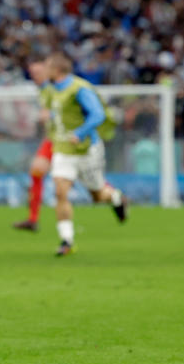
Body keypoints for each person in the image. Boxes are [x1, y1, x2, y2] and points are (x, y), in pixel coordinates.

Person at [45, 53, 128, 256]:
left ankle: (116, 197)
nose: (45, 70)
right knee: (60, 192)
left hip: (86, 150)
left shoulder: (79, 88)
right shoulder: (51, 90)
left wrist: (80, 133)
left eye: (48, 66)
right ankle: (67, 240)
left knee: (98, 195)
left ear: (57, 70)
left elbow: (98, 114)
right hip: (63, 150)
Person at [12, 60, 54, 232]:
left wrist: (49, 115)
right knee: (36, 173)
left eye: (37, 72)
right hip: (52, 139)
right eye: (32, 73)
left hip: (66, 139)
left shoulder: (54, 89)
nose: (34, 76)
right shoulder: (42, 90)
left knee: (91, 183)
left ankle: (114, 197)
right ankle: (33, 219)